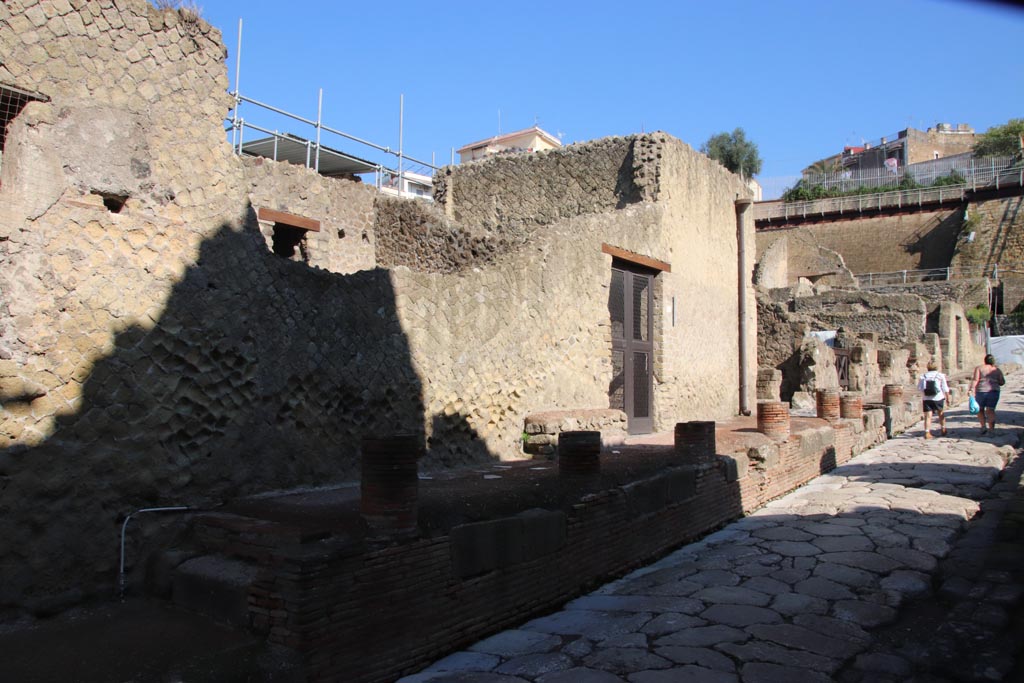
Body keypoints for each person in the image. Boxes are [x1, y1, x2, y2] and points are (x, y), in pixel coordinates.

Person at [969, 354, 1006, 434]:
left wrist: (971, 389)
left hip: (981, 391)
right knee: (991, 410)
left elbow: (975, 380)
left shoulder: (979, 368)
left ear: (985, 360)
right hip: (994, 392)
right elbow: (1002, 382)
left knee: (980, 410)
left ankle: (983, 426)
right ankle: (991, 429)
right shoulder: (997, 370)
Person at [917, 360, 950, 439]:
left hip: (927, 398)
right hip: (938, 397)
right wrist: (947, 398)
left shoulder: (923, 376)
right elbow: (945, 388)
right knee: (940, 413)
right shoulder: (940, 376)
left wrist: (925, 393)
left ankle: (927, 432)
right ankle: (943, 429)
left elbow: (919, 388)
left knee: (928, 416)